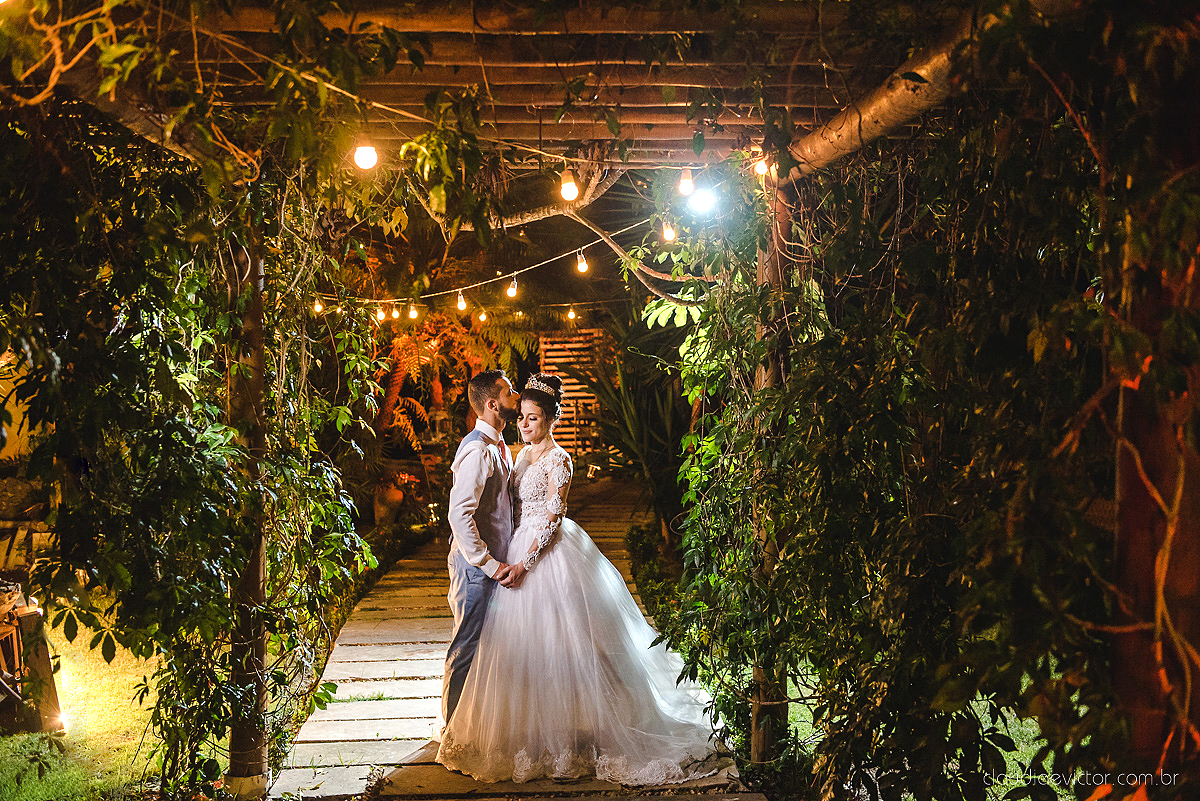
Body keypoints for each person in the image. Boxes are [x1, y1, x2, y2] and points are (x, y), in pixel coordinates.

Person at [437, 373, 720, 785]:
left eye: (533, 417)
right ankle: (470, 726)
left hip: (542, 554)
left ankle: (570, 728)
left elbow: (552, 518)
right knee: (495, 646)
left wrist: (523, 562)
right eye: (520, 414)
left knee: (564, 644)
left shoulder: (557, 459)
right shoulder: (506, 453)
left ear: (551, 419)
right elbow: (473, 510)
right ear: (496, 407)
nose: (524, 421)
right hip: (499, 557)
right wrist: (497, 561)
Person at [441, 369, 521, 729]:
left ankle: (477, 724)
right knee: (467, 646)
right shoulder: (477, 450)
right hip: (476, 569)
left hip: (495, 564)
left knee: (490, 646)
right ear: (492, 404)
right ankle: (453, 729)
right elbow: (459, 515)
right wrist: (488, 564)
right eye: (510, 392)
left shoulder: (498, 445)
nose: (517, 395)